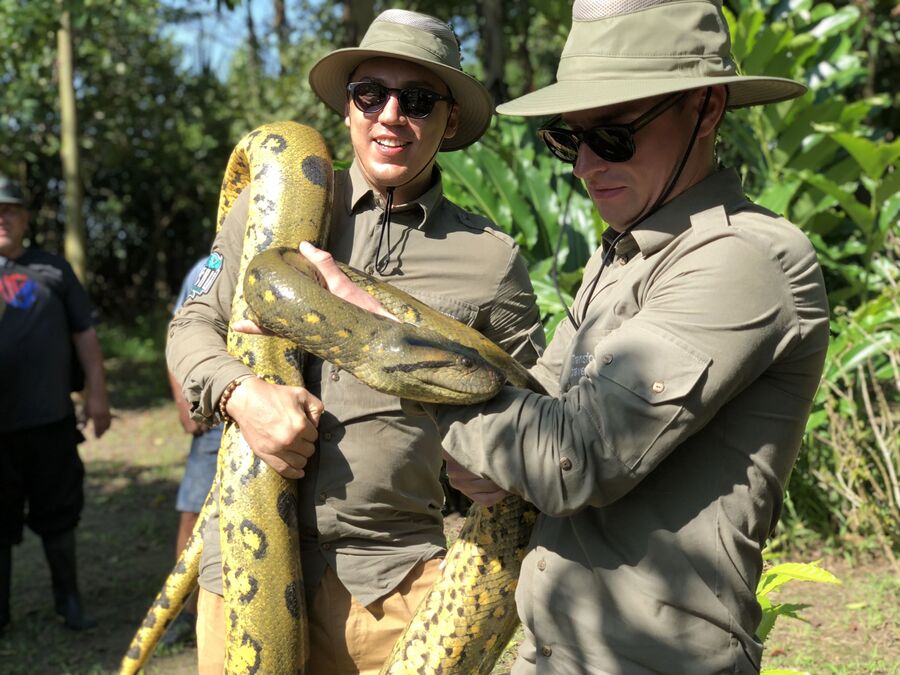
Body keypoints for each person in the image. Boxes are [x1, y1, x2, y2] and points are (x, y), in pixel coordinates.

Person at [296, 0, 831, 671]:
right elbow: (533, 402)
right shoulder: (620, 255)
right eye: (567, 139)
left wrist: (371, 335)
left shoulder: (743, 258)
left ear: (706, 108)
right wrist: (490, 450)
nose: (583, 166)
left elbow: (568, 457)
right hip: (553, 647)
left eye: (612, 137)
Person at [166, 9, 544, 673]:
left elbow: (536, 407)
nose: (391, 115)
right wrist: (241, 391)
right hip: (242, 572)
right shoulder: (274, 207)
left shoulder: (489, 258)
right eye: (371, 94)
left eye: (419, 99)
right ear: (348, 107)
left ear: (449, 121)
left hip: (392, 586)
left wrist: (504, 463)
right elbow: (190, 326)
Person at [0, 175, 111, 632]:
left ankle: (69, 601)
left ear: (24, 218)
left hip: (50, 421)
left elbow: (85, 335)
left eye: (10, 210)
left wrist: (98, 395)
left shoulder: (54, 269)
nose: (2, 218)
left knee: (60, 516)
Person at [160, 258, 225, 647]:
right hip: (217, 415)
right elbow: (180, 331)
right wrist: (186, 404)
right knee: (195, 514)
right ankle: (183, 614)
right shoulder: (211, 265)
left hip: (288, 414)